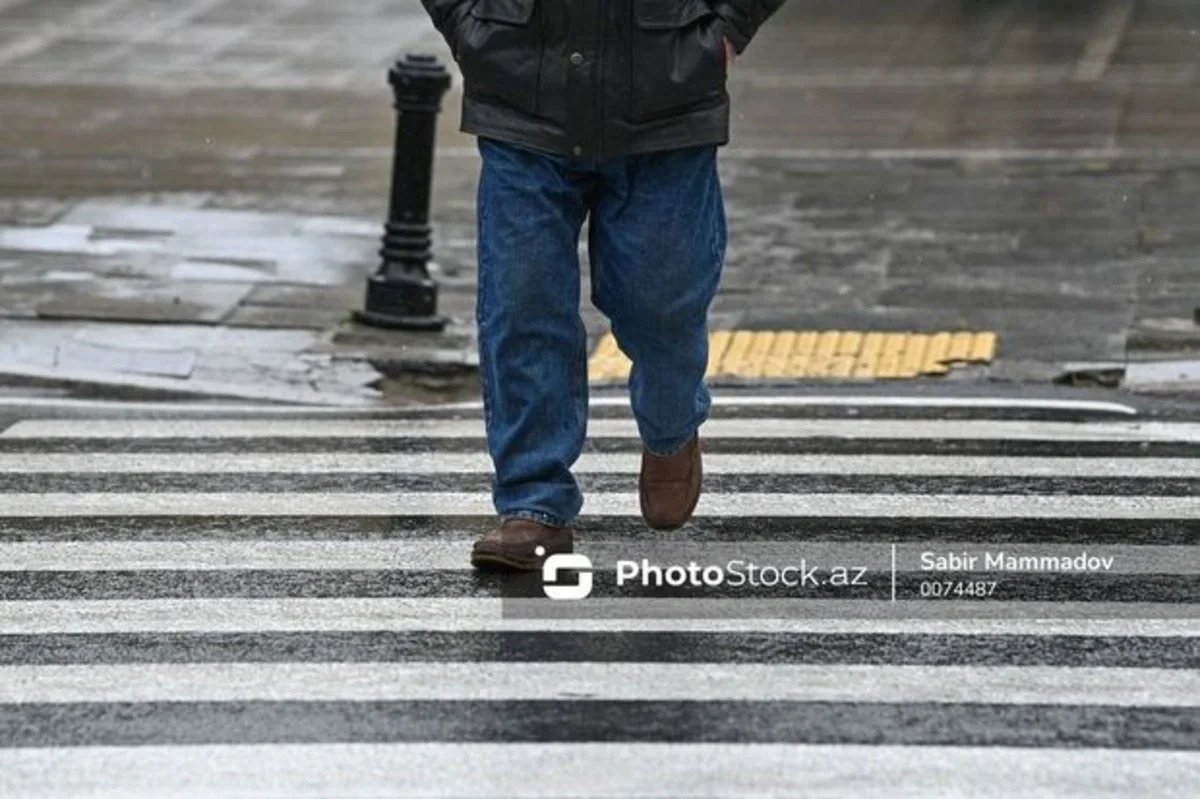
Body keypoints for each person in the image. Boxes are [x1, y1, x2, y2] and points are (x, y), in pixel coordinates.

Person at [420, 0, 785, 569]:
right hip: (522, 89)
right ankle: (532, 503)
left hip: (667, 93)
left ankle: (671, 425)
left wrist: (726, 29)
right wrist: (468, 26)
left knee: (659, 302)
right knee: (523, 301)